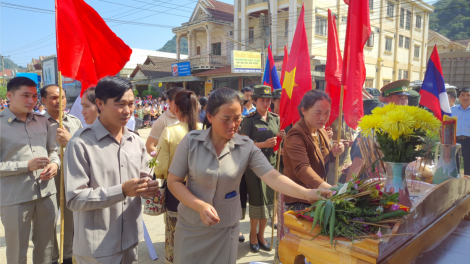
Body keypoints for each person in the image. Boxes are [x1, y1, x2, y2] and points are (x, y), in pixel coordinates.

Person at [166, 88, 333, 264]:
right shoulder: (191, 142)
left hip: (225, 229)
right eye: (226, 119)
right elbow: (174, 181)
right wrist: (199, 206)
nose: (233, 125)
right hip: (191, 228)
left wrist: (308, 193)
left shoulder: (246, 146)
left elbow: (272, 176)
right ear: (210, 117)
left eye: (237, 118)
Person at [64, 76, 160, 264]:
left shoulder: (135, 141)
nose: (128, 111)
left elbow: (142, 179)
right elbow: (74, 199)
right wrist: (122, 191)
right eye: (120, 104)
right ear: (100, 103)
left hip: (130, 240)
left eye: (131, 104)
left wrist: (148, 187)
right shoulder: (80, 144)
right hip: (98, 247)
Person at [0, 77, 60, 264]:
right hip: (15, 196)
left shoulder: (43, 121)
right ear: (9, 95)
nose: (31, 101)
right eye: (25, 95)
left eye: (34, 96)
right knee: (17, 249)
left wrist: (54, 164)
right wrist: (25, 166)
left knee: (46, 247)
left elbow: (54, 149)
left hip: (46, 192)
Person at [154, 90, 202, 264]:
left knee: (174, 232)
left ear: (175, 107)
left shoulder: (169, 132)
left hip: (176, 190)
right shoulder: (205, 130)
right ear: (197, 107)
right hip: (202, 191)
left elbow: (160, 167)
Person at [239, 85, 285, 252]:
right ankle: (252, 234)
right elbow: (244, 145)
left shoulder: (275, 118)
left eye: (268, 100)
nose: (266, 103)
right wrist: (263, 144)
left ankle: (261, 234)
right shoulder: (249, 120)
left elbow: (277, 139)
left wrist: (281, 141)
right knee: (257, 202)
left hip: (271, 166)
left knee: (269, 202)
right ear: (255, 101)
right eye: (262, 100)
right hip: (254, 167)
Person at [40, 84, 83, 264]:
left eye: (63, 97)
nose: (59, 101)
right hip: (46, 178)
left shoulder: (74, 122)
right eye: (54, 97)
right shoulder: (37, 123)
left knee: (70, 219)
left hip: (71, 176)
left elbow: (83, 149)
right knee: (47, 221)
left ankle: (67, 256)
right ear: (42, 100)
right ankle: (51, 257)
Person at [283, 90, 344, 209]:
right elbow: (302, 167)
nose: (323, 118)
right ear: (304, 110)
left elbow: (320, 160)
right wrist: (325, 186)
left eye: (327, 113)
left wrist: (333, 153)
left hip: (318, 196)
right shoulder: (296, 134)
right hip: (300, 200)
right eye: (318, 112)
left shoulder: (320, 129)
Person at [346, 80, 410, 181]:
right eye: (400, 98)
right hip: (372, 189)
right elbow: (355, 170)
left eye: (406, 98)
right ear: (388, 100)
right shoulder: (373, 129)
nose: (404, 103)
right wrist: (348, 190)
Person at [146, 87, 183, 155]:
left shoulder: (187, 117)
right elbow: (149, 147)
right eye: (176, 102)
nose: (180, 105)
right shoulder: (162, 121)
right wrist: (166, 161)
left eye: (182, 102)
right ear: (169, 102)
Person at [451, 87, 470, 175]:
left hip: (469, 141)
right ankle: (455, 186)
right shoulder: (452, 110)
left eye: (468, 95)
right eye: (463, 95)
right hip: (455, 141)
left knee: (468, 167)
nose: (465, 97)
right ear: (459, 97)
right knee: (454, 166)